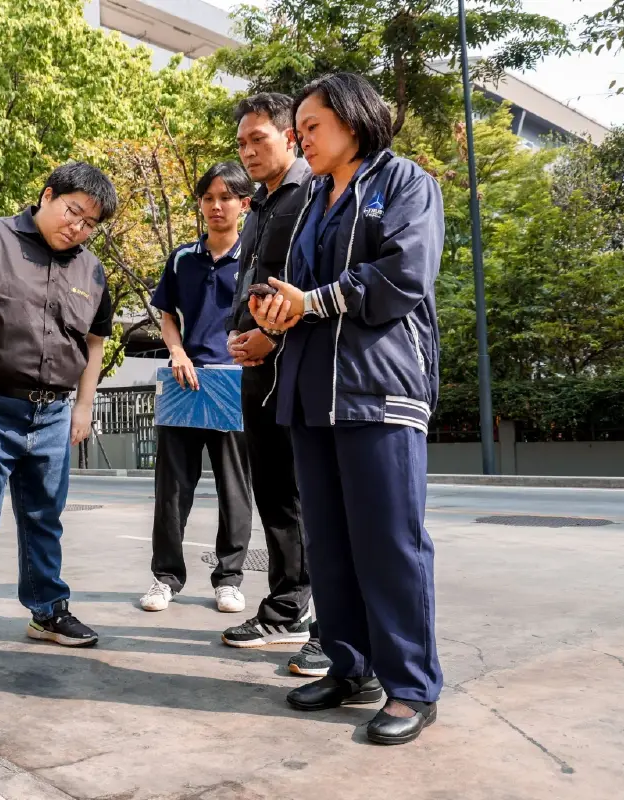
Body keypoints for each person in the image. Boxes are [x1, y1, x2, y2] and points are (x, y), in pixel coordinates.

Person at [250, 73, 444, 745]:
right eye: (298, 129)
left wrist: (310, 302)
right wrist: (273, 320)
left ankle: (412, 686)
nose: (301, 139)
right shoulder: (311, 203)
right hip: (310, 393)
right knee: (329, 543)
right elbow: (302, 295)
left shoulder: (405, 183)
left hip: (379, 391)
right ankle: (349, 663)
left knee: (388, 543)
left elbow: (400, 278)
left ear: (354, 123)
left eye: (311, 127)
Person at [0, 162, 116, 660]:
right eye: (73, 211)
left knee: (45, 516)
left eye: (89, 223)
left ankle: (48, 608)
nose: (78, 227)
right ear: (46, 195)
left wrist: (84, 405)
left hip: (53, 414)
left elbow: (95, 341)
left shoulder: (90, 268)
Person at [218, 93, 331, 678]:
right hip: (256, 366)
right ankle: (287, 608)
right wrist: (240, 336)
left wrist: (274, 338)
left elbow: (313, 282)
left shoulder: (315, 193)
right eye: (241, 142)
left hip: (300, 362)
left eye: (258, 139)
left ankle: (329, 627)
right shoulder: (259, 203)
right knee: (275, 493)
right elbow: (252, 281)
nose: (248, 150)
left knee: (315, 498)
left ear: (291, 137)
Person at [139, 162, 253, 614]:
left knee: (235, 487)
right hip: (185, 382)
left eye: (226, 197)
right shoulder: (182, 258)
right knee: (171, 487)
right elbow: (167, 315)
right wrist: (178, 353)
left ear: (244, 204)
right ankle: (165, 577)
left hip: (234, 385)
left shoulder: (256, 258)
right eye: (208, 198)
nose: (216, 206)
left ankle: (229, 578)